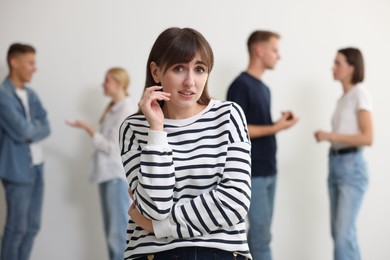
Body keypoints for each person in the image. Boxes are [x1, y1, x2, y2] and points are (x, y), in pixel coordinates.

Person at [119, 27, 252, 260]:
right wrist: (157, 131)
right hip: (152, 255)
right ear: (156, 71)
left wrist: (160, 227)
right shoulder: (134, 128)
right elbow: (155, 207)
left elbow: (234, 202)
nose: (190, 82)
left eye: (199, 69)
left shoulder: (229, 116)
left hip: (222, 252)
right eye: (179, 68)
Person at [226, 30, 298, 260]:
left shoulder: (264, 88)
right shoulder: (240, 85)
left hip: (269, 170)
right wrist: (276, 127)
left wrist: (278, 123)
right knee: (260, 238)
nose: (279, 56)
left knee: (259, 237)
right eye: (275, 50)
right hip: (252, 173)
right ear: (260, 50)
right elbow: (238, 129)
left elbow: (258, 125)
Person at [66, 67, 134, 260]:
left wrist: (88, 129)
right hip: (107, 177)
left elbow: (111, 147)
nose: (103, 84)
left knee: (117, 235)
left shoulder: (125, 110)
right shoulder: (113, 109)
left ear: (119, 84)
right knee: (111, 233)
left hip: (116, 178)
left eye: (107, 80)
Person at [314, 47, 373, 260]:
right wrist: (330, 137)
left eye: (338, 63)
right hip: (336, 165)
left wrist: (330, 135)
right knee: (341, 235)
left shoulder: (360, 94)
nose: (333, 67)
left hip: (351, 168)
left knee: (343, 237)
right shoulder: (344, 98)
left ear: (352, 67)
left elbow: (368, 137)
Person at [0, 43, 51, 260]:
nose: (34, 68)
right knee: (17, 228)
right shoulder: (3, 95)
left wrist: (32, 130)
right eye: (30, 63)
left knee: (32, 227)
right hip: (17, 170)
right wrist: (31, 129)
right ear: (14, 62)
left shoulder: (30, 93)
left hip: (37, 166)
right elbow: (21, 131)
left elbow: (46, 125)